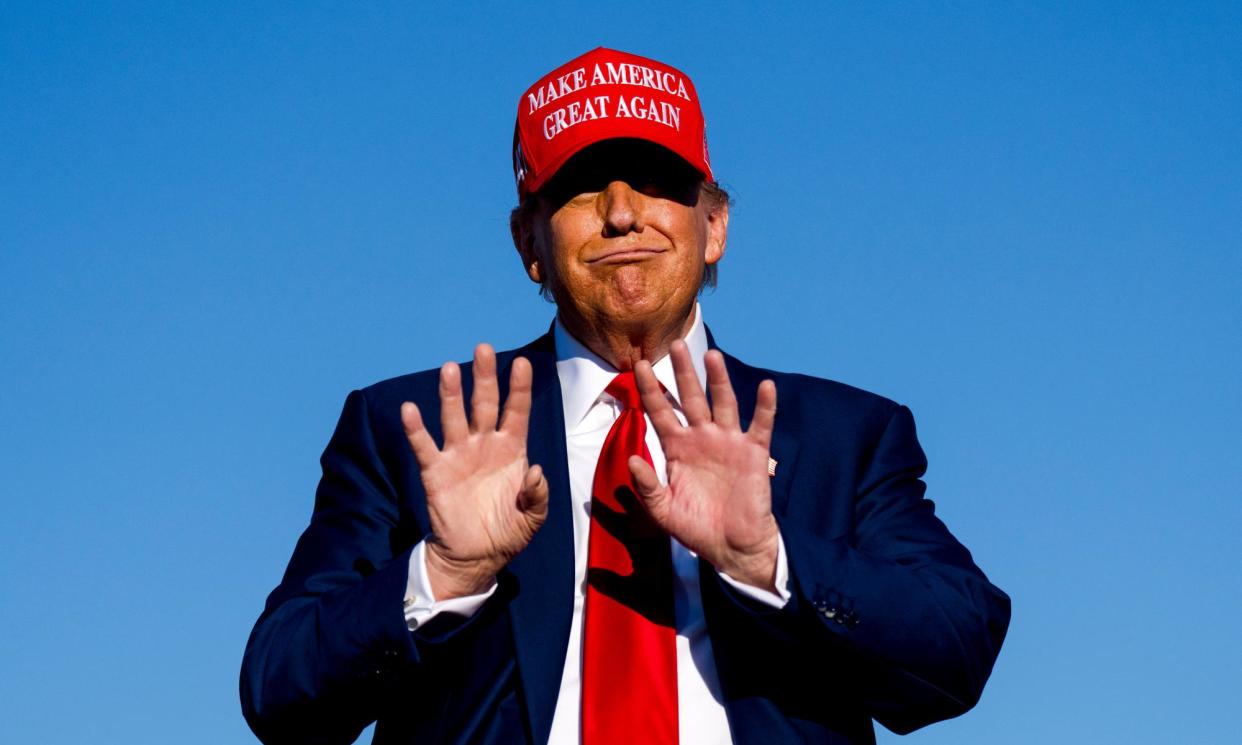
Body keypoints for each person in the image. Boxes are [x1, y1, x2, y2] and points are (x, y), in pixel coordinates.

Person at [240, 47, 1010, 745]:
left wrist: (768, 558)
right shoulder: (415, 431)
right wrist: (442, 574)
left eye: (656, 181)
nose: (621, 211)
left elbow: (959, 644)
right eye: (581, 185)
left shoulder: (848, 435)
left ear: (714, 226)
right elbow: (279, 691)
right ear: (527, 244)